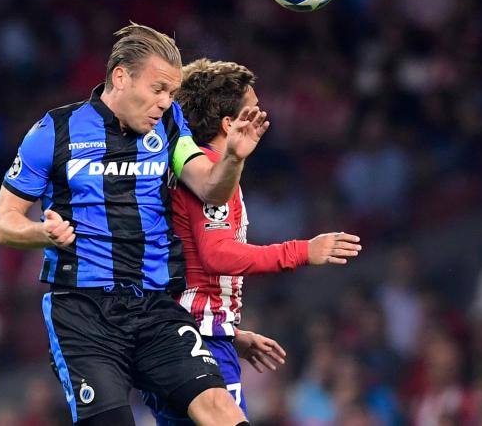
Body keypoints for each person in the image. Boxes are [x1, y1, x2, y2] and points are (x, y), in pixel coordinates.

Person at [0, 23, 266, 426]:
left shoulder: (171, 126)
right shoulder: (54, 131)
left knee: (219, 409)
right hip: (83, 312)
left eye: (171, 93)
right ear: (121, 77)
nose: (165, 102)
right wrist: (40, 233)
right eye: (158, 90)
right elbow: (1, 222)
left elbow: (210, 187)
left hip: (154, 306)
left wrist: (233, 159)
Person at [145, 59, 362, 424]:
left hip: (182, 336)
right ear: (230, 125)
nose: (263, 117)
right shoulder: (212, 173)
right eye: (254, 111)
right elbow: (217, 255)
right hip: (199, 342)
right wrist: (304, 251)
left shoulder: (195, 172)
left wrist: (231, 333)